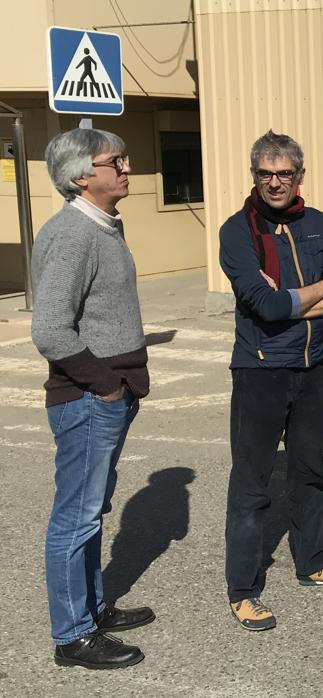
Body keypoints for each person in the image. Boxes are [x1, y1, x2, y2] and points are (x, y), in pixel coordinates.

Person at [219, 131, 323, 632]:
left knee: (309, 472)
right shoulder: (237, 232)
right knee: (252, 483)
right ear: (254, 176)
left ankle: (315, 560)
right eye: (266, 174)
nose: (275, 182)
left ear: (299, 176)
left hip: (310, 369)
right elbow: (263, 304)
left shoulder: (318, 223)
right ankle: (243, 589)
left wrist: (302, 301)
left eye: (285, 174)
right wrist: (320, 290)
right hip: (260, 371)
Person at [32, 129, 152, 669]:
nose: (126, 167)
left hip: (107, 392)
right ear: (82, 176)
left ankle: (92, 608)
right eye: (115, 161)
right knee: (75, 517)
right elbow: (51, 330)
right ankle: (72, 636)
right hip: (87, 397)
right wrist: (105, 385)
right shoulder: (73, 233)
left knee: (91, 509)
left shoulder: (102, 225)